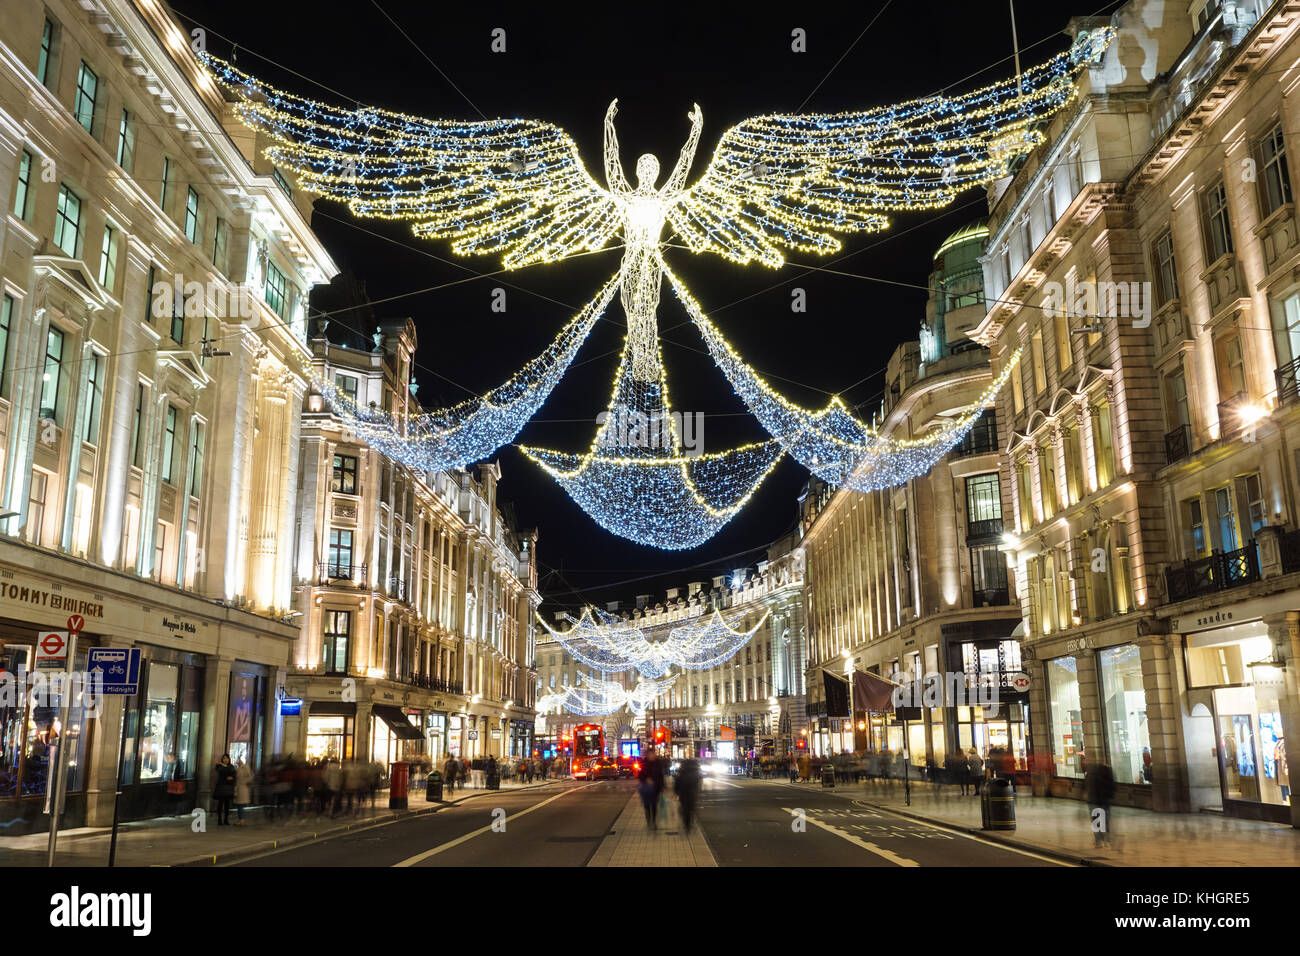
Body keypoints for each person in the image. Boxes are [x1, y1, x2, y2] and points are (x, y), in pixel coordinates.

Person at [1084, 758, 1117, 848]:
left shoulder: (1090, 773)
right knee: (1105, 820)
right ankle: (1106, 839)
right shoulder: (1107, 771)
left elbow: (1086, 787)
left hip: (1094, 801)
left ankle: (1099, 840)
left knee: (1096, 821)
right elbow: (1113, 786)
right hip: (1104, 800)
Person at [675, 757, 703, 830]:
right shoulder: (696, 772)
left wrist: (676, 792)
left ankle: (686, 823)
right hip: (692, 793)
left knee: (684, 808)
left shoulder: (681, 772)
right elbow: (699, 783)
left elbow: (677, 783)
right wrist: (698, 791)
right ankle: (690, 822)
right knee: (691, 808)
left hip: (683, 793)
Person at [212, 754, 237, 826]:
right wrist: (224, 769)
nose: (225, 760)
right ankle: (219, 820)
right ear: (222, 759)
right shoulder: (219, 766)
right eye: (224, 758)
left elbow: (234, 774)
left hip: (228, 788)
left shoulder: (231, 766)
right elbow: (222, 771)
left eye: (227, 758)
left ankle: (226, 819)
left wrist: (231, 777)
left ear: (229, 759)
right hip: (221, 787)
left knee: (227, 805)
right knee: (220, 804)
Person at [637, 757, 660, 830]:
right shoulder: (644, 766)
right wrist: (646, 780)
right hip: (646, 790)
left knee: (653, 807)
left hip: (654, 790)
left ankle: (653, 822)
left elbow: (660, 777)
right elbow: (640, 777)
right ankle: (650, 821)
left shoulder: (657, 765)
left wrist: (660, 786)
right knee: (648, 807)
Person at [233, 758, 253, 825]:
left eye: (239, 760)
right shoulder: (238, 768)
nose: (237, 762)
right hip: (239, 788)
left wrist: (244, 782)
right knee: (239, 805)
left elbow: (250, 777)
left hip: (242, 788)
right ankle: (241, 820)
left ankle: (241, 820)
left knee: (240, 805)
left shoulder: (245, 768)